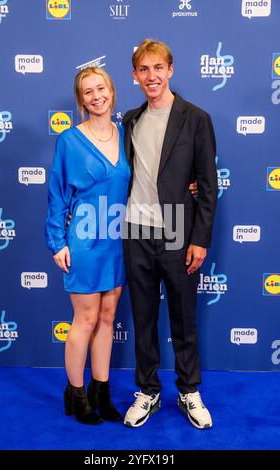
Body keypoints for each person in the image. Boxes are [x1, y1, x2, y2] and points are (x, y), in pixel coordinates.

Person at [123, 39, 218, 429]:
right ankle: (148, 391)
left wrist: (200, 238)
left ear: (171, 70)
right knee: (143, 317)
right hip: (135, 232)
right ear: (135, 76)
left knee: (183, 317)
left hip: (179, 231)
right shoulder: (130, 118)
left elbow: (208, 186)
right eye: (144, 70)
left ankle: (188, 390)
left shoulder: (196, 118)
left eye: (158, 68)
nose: (152, 76)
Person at [45, 67, 131, 424]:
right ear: (81, 100)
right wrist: (57, 242)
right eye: (88, 92)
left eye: (101, 89)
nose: (96, 96)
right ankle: (76, 394)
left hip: (117, 239)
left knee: (108, 318)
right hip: (82, 240)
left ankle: (101, 390)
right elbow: (56, 195)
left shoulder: (127, 134)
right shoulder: (68, 141)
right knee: (86, 318)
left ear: (112, 91)